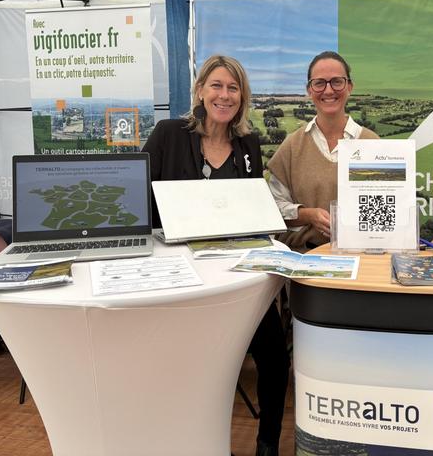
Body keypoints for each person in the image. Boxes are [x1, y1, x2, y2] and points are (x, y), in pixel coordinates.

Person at [142, 55, 288, 456]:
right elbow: (138, 201)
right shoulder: (169, 134)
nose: (225, 95)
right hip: (182, 277)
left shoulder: (248, 145)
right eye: (217, 86)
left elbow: (253, 207)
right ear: (201, 90)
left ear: (243, 97)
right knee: (186, 361)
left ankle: (267, 443)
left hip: (240, 274)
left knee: (274, 355)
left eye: (233, 88)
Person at [268, 51, 378, 251]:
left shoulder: (373, 144)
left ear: (349, 87)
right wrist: (308, 215)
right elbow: (273, 209)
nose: (328, 90)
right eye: (319, 83)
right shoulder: (292, 147)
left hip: (364, 262)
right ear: (309, 90)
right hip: (305, 262)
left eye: (337, 82)